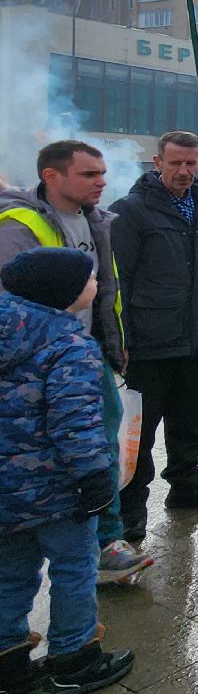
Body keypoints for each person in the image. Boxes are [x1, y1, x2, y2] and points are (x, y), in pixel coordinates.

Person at [0, 141, 149, 583]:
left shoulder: (98, 220)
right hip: (37, 359)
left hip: (87, 351)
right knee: (67, 445)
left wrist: (114, 342)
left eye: (102, 173)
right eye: (88, 174)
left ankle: (104, 539)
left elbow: (108, 289)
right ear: (52, 175)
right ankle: (84, 542)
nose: (101, 181)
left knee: (103, 436)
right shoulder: (19, 225)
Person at [0, 248, 135, 694]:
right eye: (90, 278)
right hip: (58, 489)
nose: (96, 284)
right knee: (74, 567)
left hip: (5, 492)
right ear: (66, 292)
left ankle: (7, 662)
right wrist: (94, 477)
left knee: (10, 571)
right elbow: (75, 423)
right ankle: (74, 660)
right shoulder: (68, 345)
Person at [112, 132, 198, 540]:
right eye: (175, 163)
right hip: (150, 340)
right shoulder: (132, 211)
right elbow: (118, 279)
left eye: (191, 163)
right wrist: (122, 338)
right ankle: (131, 505)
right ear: (158, 163)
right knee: (140, 428)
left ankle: (186, 485)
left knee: (190, 418)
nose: (184, 171)